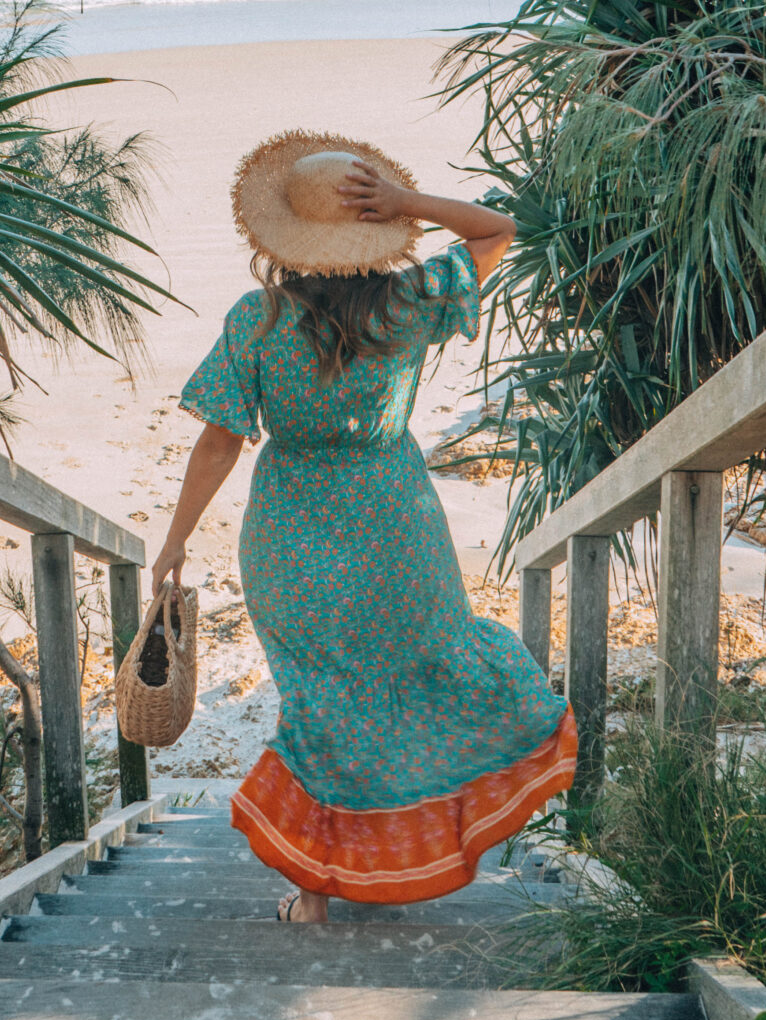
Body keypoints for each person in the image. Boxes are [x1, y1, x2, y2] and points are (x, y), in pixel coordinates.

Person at [151, 129, 576, 923]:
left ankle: (316, 890)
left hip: (292, 531)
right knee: (415, 680)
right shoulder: (412, 301)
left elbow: (219, 440)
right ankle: (399, 858)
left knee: (321, 699)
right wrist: (411, 203)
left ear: (283, 235)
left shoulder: (258, 319)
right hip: (394, 522)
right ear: (373, 230)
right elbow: (497, 229)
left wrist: (176, 540)